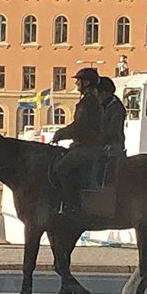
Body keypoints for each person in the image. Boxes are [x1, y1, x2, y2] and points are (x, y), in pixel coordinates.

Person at [51, 67, 103, 213]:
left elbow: (80, 126)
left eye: (78, 81)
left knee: (61, 168)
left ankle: (73, 204)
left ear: (86, 83)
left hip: (88, 146)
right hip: (84, 144)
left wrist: (61, 133)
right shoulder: (89, 100)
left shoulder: (89, 102)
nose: (76, 84)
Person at [95, 77, 127, 157]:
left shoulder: (117, 108)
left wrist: (93, 138)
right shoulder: (102, 105)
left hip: (112, 148)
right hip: (101, 145)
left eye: (97, 93)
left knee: (97, 167)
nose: (96, 96)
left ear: (104, 93)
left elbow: (112, 131)